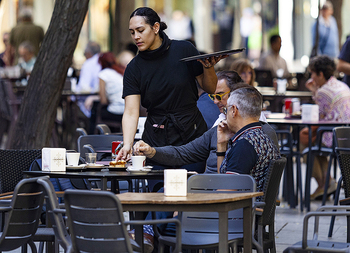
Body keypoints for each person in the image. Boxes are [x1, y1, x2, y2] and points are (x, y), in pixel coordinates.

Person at [133, 86, 280, 246]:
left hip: (232, 220)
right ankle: (143, 236)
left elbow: (225, 195)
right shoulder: (262, 138)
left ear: (234, 111)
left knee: (166, 224)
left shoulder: (245, 145)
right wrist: (221, 145)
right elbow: (224, 180)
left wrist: (192, 195)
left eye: (226, 110)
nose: (223, 113)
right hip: (244, 215)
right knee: (172, 195)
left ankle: (142, 236)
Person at [117, 7, 226, 170]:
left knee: (193, 190)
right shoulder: (134, 68)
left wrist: (209, 68)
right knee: (158, 192)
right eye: (132, 32)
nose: (136, 37)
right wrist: (127, 144)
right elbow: (131, 111)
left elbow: (210, 88)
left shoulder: (184, 50)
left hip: (192, 135)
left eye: (140, 30)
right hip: (156, 139)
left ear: (155, 27)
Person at [133, 71, 278, 175]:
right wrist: (152, 151)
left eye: (219, 96)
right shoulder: (221, 127)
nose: (215, 101)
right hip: (215, 194)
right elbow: (184, 152)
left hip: (220, 202)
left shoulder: (251, 139)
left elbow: (228, 190)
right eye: (212, 96)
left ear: (235, 97)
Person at [301, 55, 350, 200]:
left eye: (312, 74)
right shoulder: (342, 85)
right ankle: (327, 183)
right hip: (345, 134)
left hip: (335, 136)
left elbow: (317, 117)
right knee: (311, 140)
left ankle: (324, 184)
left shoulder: (323, 91)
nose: (311, 77)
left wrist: (314, 91)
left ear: (320, 74)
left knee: (304, 141)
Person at [97, 52, 125, 125]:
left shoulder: (103, 74)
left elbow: (103, 101)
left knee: (97, 111)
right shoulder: (120, 71)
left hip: (116, 112)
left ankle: (94, 134)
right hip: (128, 110)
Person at [75, 41, 102, 119]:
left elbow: (83, 87)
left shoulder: (89, 64)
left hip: (92, 101)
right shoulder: (102, 60)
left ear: (89, 53)